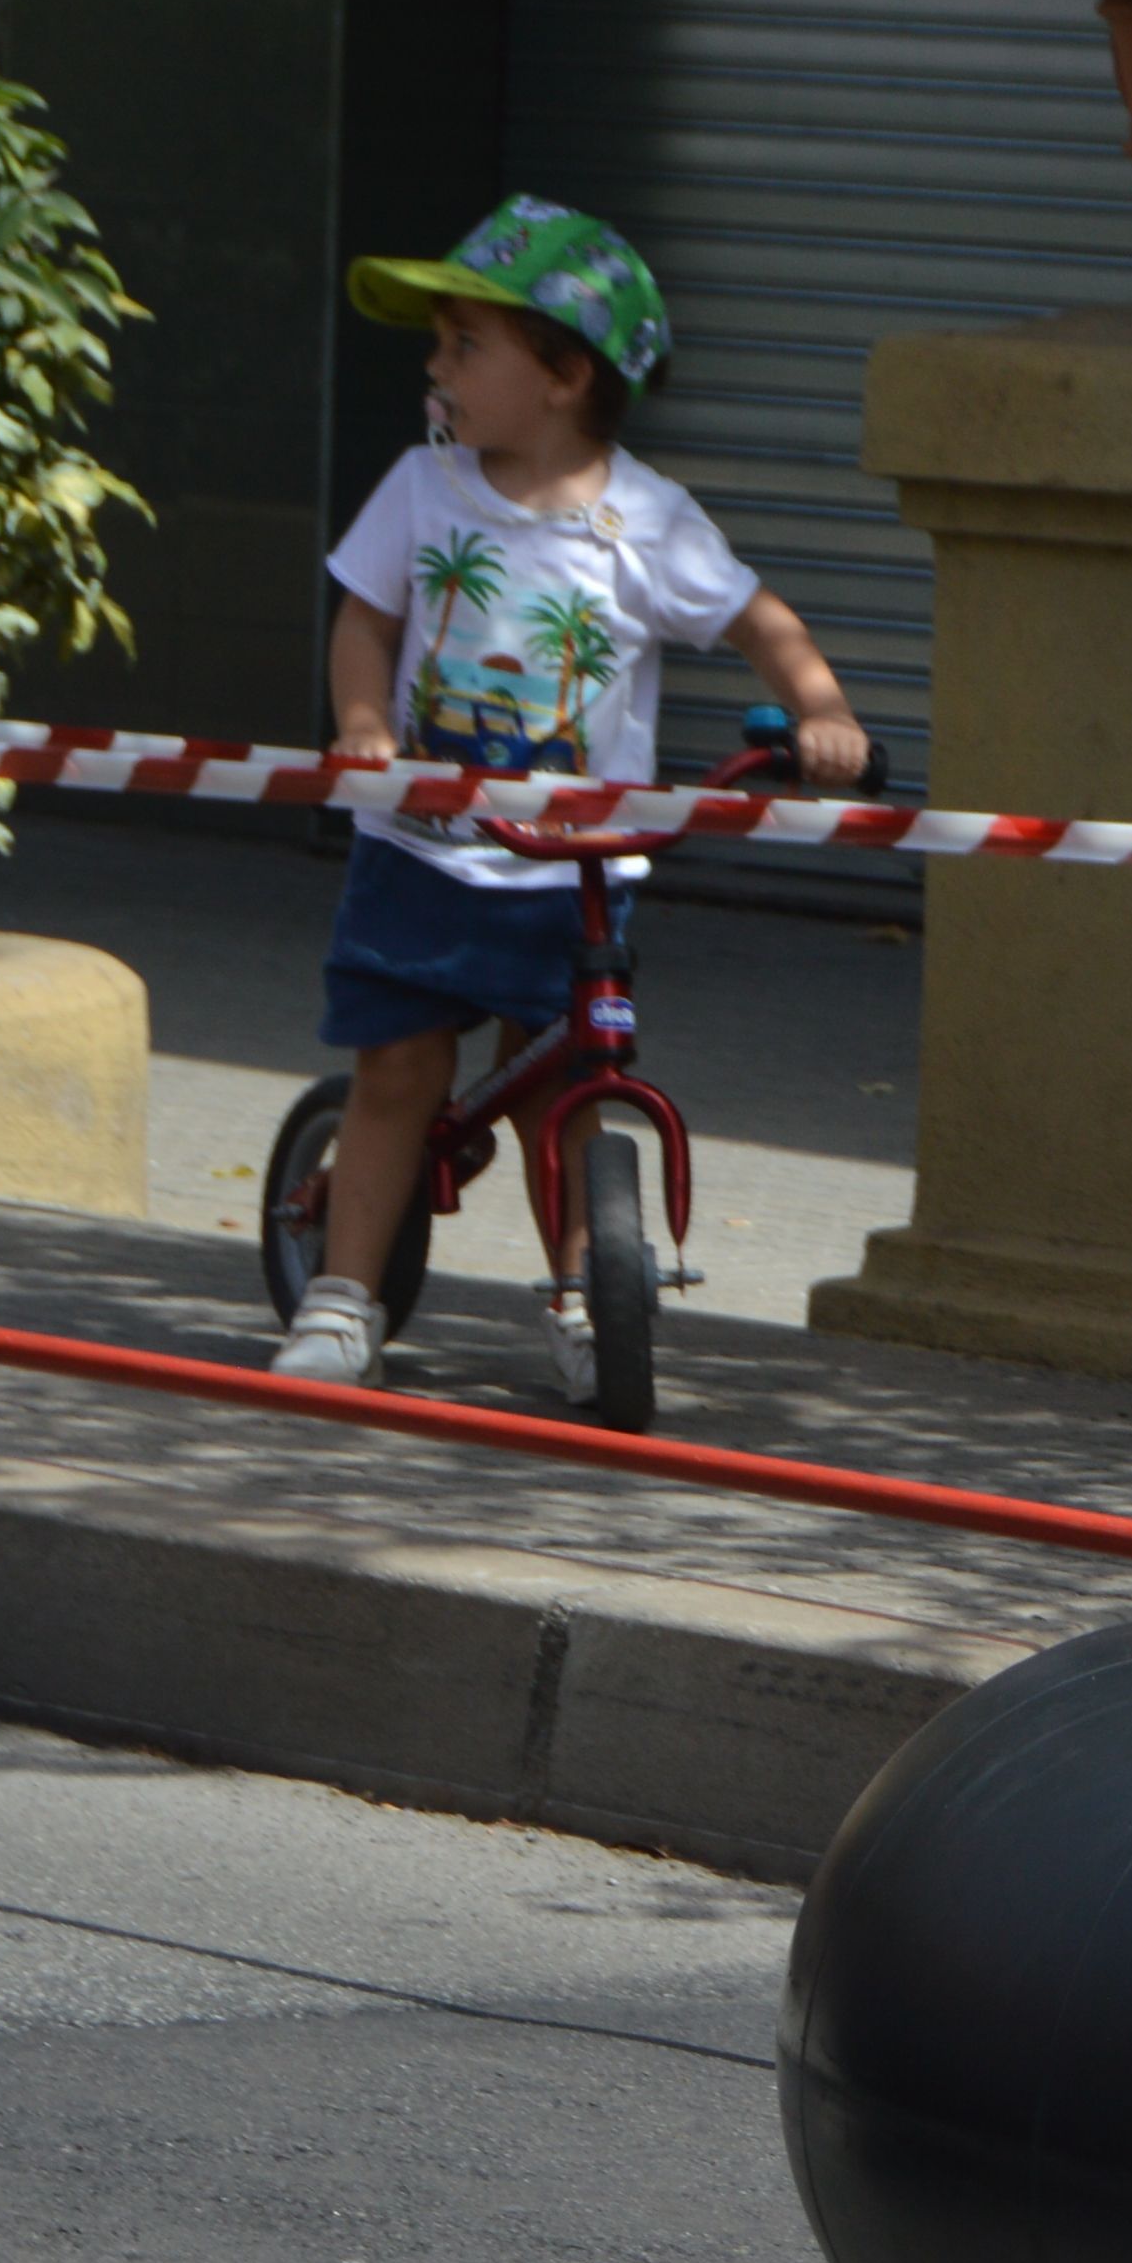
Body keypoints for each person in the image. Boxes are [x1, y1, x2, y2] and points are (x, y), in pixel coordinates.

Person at [268, 199, 867, 1404]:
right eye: (437, 345)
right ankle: (343, 1298)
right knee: (399, 1069)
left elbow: (759, 620)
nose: (436, 367)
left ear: (562, 373)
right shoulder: (422, 488)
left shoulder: (643, 519)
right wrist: (366, 724)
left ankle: (591, 1299)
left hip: (570, 864)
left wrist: (822, 710)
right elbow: (367, 618)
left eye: (463, 345)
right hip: (422, 843)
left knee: (560, 1088)